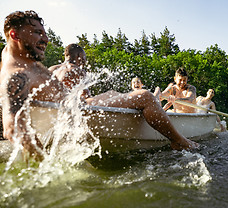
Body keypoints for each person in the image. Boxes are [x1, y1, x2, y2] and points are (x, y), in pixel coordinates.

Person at [0, 10, 197, 161]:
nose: (46, 39)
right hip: (81, 112)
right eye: (37, 33)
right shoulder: (20, 76)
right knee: (145, 95)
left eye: (44, 33)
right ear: (15, 36)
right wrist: (43, 163)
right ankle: (179, 141)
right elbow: (11, 128)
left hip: (67, 112)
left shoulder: (31, 63)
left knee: (112, 91)